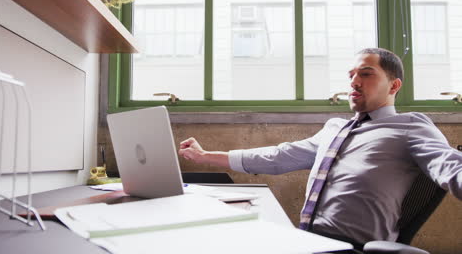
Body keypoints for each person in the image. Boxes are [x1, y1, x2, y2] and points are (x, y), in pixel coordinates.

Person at [178, 48, 462, 249]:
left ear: (394, 85)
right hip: (310, 242)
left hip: (354, 248)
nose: (354, 81)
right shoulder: (334, 128)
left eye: (366, 73)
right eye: (351, 74)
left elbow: (450, 166)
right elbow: (279, 156)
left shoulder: (411, 126)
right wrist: (204, 157)